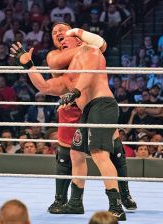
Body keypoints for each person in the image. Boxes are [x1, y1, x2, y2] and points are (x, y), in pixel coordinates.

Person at [10, 36, 126, 220]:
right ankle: (75, 203)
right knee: (76, 153)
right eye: (59, 41)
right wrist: (28, 65)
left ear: (79, 42)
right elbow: (44, 86)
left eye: (66, 39)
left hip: (103, 105)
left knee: (99, 154)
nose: (62, 42)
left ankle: (116, 207)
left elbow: (88, 73)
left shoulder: (89, 51)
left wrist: (75, 92)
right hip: (88, 112)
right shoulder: (67, 77)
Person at [45, 23, 136, 214]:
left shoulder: (88, 50)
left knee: (110, 152)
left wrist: (80, 37)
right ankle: (71, 202)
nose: (58, 33)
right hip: (74, 107)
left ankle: (120, 199)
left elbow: (100, 46)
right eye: (54, 32)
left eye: (62, 30)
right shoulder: (56, 56)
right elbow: (49, 81)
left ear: (74, 36)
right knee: (72, 154)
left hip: (97, 103)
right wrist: (28, 66)